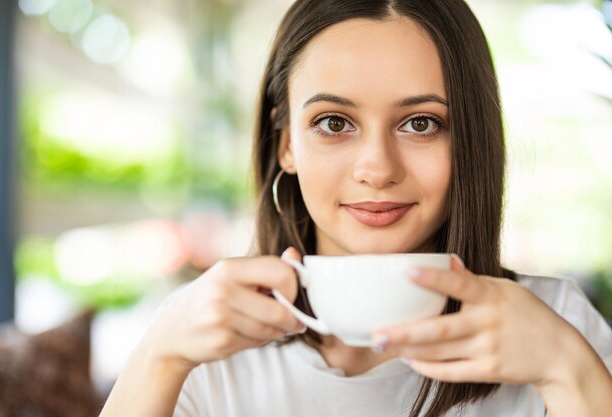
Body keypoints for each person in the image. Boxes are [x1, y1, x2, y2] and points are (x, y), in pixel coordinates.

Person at [99, 1, 612, 416]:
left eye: (421, 123)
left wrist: (570, 371)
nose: (377, 169)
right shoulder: (202, 346)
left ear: (471, 141)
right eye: (334, 122)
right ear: (286, 144)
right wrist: (159, 357)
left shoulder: (558, 325)